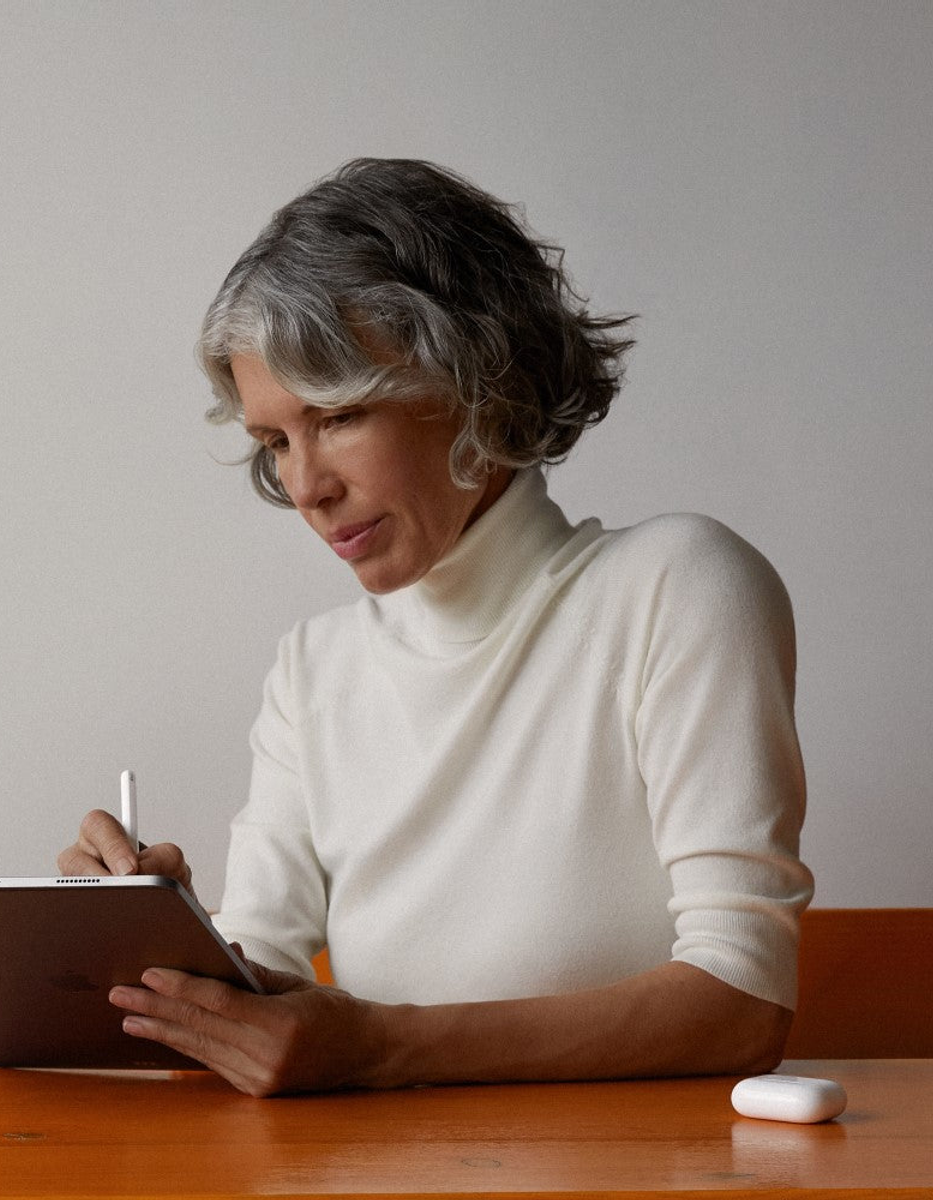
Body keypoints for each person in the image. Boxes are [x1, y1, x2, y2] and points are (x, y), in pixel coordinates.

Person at [58, 158, 814, 1097]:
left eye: (338, 415)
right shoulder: (313, 671)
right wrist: (157, 939)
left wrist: (380, 1047)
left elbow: (741, 1001)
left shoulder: (677, 586)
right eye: (275, 441)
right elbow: (268, 977)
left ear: (478, 382)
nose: (305, 487)